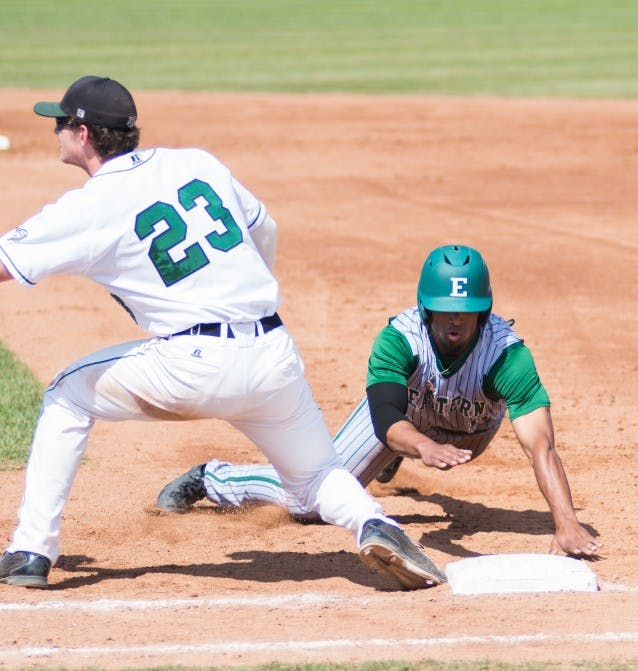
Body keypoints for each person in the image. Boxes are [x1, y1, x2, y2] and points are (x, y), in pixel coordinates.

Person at [0, 75, 445, 590]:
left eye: (60, 122)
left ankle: (31, 549)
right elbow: (264, 226)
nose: (55, 130)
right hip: (272, 354)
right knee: (317, 474)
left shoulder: (89, 205)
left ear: (83, 133)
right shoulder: (196, 163)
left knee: (66, 394)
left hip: (189, 366)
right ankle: (376, 524)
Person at [158, 244, 604, 559]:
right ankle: (212, 479)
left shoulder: (507, 355)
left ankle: (397, 454)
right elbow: (386, 414)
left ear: (483, 311)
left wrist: (566, 522)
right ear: (425, 307)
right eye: (444, 308)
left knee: (409, 445)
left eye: (466, 310)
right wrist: (422, 446)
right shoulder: (399, 339)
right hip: (399, 420)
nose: (455, 319)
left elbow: (540, 445)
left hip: (466, 435)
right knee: (310, 503)